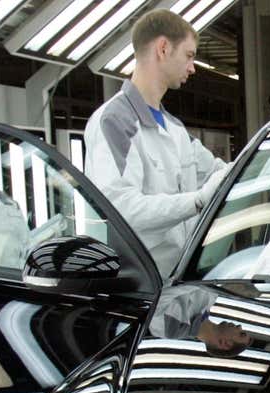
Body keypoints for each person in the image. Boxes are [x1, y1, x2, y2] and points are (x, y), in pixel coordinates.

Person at [84, 9, 231, 275]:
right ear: (163, 48)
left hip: (179, 281)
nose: (192, 67)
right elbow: (121, 209)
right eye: (189, 55)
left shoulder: (174, 128)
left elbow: (220, 172)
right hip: (141, 289)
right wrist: (196, 201)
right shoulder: (115, 121)